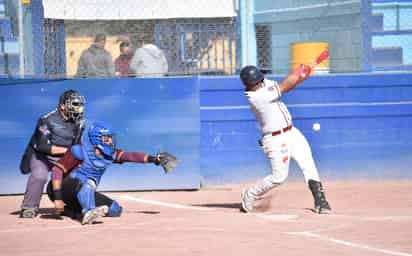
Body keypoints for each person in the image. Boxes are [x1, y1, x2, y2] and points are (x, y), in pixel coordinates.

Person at [239, 64, 331, 214]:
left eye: (260, 79)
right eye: (256, 82)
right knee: (279, 177)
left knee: (307, 162)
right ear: (250, 85)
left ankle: (320, 200)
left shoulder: (263, 84)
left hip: (292, 132)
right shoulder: (256, 97)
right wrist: (301, 74)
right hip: (275, 139)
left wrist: (300, 73)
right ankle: (250, 194)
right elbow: (286, 85)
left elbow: (288, 81)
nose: (261, 83)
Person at [47, 121, 178, 225]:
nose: (110, 141)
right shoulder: (79, 151)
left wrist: (154, 159)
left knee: (115, 209)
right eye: (107, 138)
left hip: (83, 192)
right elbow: (57, 170)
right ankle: (88, 211)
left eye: (110, 137)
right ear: (97, 138)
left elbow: (130, 156)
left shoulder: (109, 155)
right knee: (88, 183)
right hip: (62, 188)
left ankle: (71, 211)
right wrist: (57, 198)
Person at [19, 90, 86, 218]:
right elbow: (42, 146)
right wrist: (68, 151)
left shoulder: (80, 122)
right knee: (39, 176)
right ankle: (29, 207)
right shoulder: (46, 120)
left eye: (80, 104)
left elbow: (76, 145)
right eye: (75, 104)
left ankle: (75, 206)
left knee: (77, 176)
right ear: (63, 105)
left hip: (62, 158)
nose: (79, 108)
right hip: (41, 156)